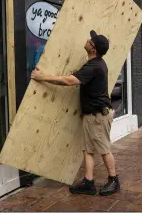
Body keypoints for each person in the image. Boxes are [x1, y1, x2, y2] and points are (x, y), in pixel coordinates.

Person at [30, 30, 120, 196]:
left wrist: (41, 77)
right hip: (93, 115)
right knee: (88, 150)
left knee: (104, 149)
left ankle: (114, 180)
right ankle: (89, 182)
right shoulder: (97, 63)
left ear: (93, 50)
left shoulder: (94, 66)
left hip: (98, 116)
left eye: (91, 41)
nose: (87, 40)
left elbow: (68, 81)